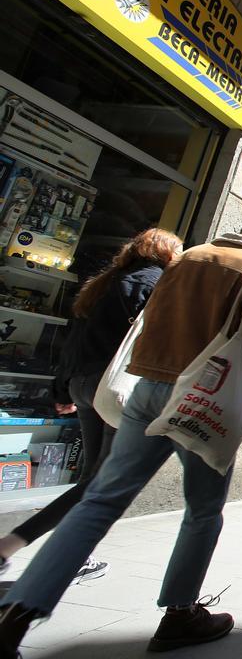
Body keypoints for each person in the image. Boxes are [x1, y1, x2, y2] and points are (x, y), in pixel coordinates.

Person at [0, 208, 242, 657]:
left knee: (100, 500)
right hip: (202, 399)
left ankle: (19, 611)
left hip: (147, 388)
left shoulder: (189, 256)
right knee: (204, 510)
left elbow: (150, 318)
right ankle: (179, 615)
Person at [0, 228, 183, 583]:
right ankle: (15, 545)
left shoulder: (105, 282)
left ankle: (74, 554)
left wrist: (63, 389)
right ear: (165, 252)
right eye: (178, 249)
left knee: (92, 477)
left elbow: (74, 341)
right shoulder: (155, 283)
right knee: (104, 481)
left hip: (84, 384)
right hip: (115, 388)